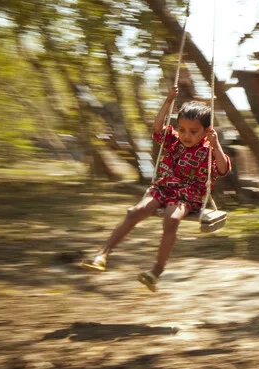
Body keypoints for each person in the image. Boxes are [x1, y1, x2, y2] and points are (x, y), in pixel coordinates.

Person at [81, 85, 230, 291]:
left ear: (206, 132)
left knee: (171, 219)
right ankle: (102, 253)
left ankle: (156, 271)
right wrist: (168, 100)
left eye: (194, 132)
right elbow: (158, 128)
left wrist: (216, 145)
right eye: (182, 130)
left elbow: (223, 169)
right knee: (135, 212)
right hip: (164, 188)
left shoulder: (208, 149)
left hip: (188, 195)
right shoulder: (174, 142)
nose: (186, 135)